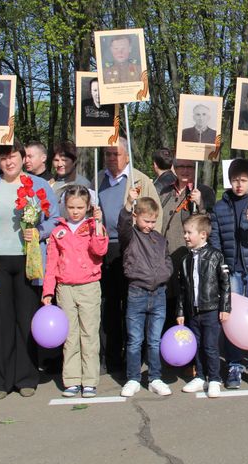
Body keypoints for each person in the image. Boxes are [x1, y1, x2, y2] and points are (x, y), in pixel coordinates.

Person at [0, 140, 58, 399]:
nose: (9, 162)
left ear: (22, 158)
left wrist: (39, 232)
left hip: (27, 261)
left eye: (14, 156)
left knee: (25, 320)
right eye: (4, 158)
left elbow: (54, 219)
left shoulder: (38, 186)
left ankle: (26, 376)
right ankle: (0, 379)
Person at [97, 138, 162, 373]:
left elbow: (156, 215)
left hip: (134, 249)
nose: (111, 158)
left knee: (134, 306)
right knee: (109, 306)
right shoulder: (98, 180)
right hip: (105, 249)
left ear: (127, 156)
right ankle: (111, 356)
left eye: (116, 154)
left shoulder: (140, 181)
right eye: (107, 154)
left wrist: (150, 249)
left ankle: (136, 355)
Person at [210, 158, 248, 389]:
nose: (239, 185)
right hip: (231, 271)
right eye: (235, 180)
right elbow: (215, 239)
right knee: (232, 319)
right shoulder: (220, 206)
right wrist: (220, 265)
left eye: (243, 180)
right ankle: (235, 364)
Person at [42, 185, 108, 398]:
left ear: (88, 206)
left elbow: (100, 251)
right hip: (65, 289)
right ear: (64, 206)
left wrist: (98, 224)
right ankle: (71, 379)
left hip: (89, 287)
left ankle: (89, 380)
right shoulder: (58, 231)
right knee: (70, 336)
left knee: (89, 335)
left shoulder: (93, 227)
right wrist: (48, 291)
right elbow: (51, 263)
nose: (75, 211)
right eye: (71, 207)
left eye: (80, 207)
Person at [119, 187, 173, 397]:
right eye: (146, 221)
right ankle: (133, 378)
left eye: (153, 221)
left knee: (154, 340)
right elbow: (122, 226)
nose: (150, 226)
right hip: (137, 293)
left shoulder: (160, 239)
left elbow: (166, 259)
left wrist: (166, 272)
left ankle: (154, 377)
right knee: (134, 340)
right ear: (136, 217)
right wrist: (127, 204)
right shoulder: (130, 236)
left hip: (158, 294)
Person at [158, 158, 215, 339]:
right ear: (174, 168)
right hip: (166, 260)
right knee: (168, 306)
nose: (185, 170)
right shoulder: (165, 191)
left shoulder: (203, 192)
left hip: (189, 261)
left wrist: (200, 204)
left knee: (187, 308)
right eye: (180, 166)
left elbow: (206, 226)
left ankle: (191, 355)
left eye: (189, 166)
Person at [177, 214, 230, 398]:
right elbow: (183, 288)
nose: (185, 236)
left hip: (211, 309)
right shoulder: (185, 260)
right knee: (197, 345)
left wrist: (224, 307)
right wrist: (181, 311)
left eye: (188, 232)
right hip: (193, 311)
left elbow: (225, 284)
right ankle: (200, 376)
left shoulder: (216, 256)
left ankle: (214, 378)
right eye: (184, 232)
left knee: (210, 346)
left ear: (203, 235)